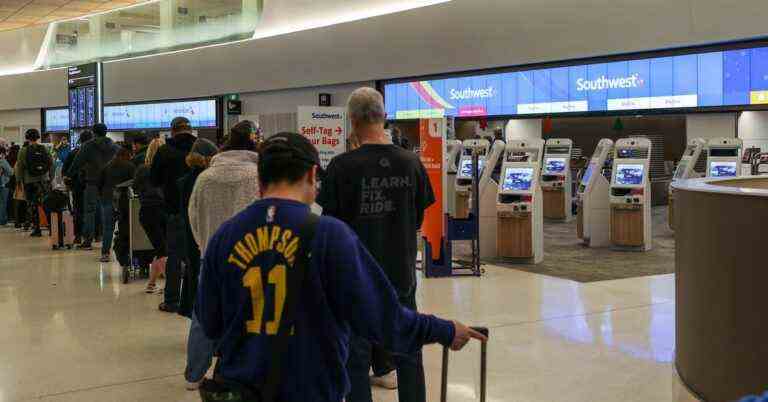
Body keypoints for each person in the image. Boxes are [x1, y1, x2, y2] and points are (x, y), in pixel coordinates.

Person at [196, 132, 485, 402]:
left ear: (260, 180)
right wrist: (445, 330)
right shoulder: (329, 236)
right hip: (310, 389)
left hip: (240, 389)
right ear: (311, 175)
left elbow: (209, 321)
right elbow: (386, 320)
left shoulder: (225, 236)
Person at [318, 87, 436, 402]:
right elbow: (418, 216)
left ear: (352, 121)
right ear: (383, 118)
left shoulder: (342, 167)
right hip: (400, 273)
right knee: (408, 350)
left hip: (355, 276)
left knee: (355, 357)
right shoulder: (411, 162)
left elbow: (331, 227)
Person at [184, 122, 260, 390]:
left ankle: (194, 373)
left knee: (203, 315)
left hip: (211, 255)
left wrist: (204, 244)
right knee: (251, 316)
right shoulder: (256, 176)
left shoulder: (205, 177)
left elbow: (192, 217)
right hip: (250, 258)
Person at [150, 117, 196, 313]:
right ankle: (195, 299)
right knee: (197, 256)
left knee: (175, 257)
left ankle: (172, 300)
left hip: (175, 210)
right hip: (197, 210)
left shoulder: (164, 151)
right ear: (190, 129)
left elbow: (154, 179)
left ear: (172, 130)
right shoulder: (200, 148)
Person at [178, 138, 218, 319]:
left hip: (189, 232)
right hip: (202, 234)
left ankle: (192, 313)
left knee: (192, 272)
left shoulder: (185, 180)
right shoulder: (205, 179)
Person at [66, 124, 119, 250]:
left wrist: (68, 175)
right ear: (106, 132)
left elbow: (77, 163)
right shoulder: (115, 147)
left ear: (94, 133)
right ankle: (102, 238)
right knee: (107, 211)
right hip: (109, 184)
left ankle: (88, 240)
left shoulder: (87, 146)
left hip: (92, 182)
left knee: (89, 211)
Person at [133, 137, 167, 293]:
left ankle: (151, 284)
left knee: (160, 250)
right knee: (165, 250)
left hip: (146, 213)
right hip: (163, 211)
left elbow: (135, 187)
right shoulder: (167, 169)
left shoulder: (141, 169)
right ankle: (169, 285)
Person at [97, 145, 136, 263]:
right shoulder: (130, 166)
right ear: (127, 155)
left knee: (108, 228)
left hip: (107, 199)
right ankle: (127, 251)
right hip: (123, 202)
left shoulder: (106, 166)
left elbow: (99, 184)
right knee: (126, 227)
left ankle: (105, 253)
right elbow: (134, 183)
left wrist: (102, 196)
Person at [15, 129, 53, 237]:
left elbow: (20, 167)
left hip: (29, 182)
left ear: (27, 138)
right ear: (38, 137)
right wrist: (50, 177)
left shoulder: (23, 151)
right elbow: (51, 163)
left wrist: (19, 181)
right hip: (43, 181)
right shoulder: (44, 148)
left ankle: (37, 229)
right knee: (46, 204)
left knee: (33, 205)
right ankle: (51, 227)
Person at [63, 131, 93, 244]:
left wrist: (69, 183)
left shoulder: (73, 153)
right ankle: (94, 235)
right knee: (92, 211)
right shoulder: (95, 153)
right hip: (92, 186)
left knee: (78, 210)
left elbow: (65, 171)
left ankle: (78, 235)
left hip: (77, 187)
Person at [0, 147, 12, 226]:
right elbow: (10, 172)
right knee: (3, 202)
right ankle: (2, 219)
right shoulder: (2, 161)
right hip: (3, 184)